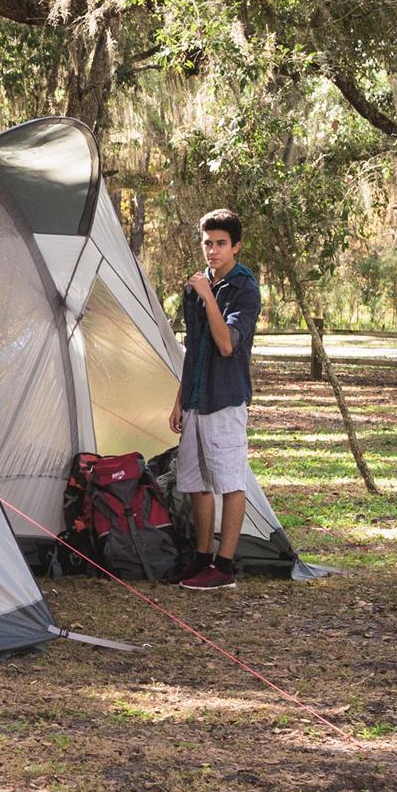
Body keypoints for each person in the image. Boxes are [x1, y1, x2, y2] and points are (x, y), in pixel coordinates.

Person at [170, 209, 262, 592]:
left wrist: (209, 297)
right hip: (194, 397)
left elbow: (226, 345)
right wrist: (178, 399)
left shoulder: (245, 288)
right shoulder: (195, 287)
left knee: (229, 482)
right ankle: (201, 558)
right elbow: (194, 349)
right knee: (196, 482)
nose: (212, 251)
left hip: (225, 399)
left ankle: (224, 567)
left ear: (236, 246)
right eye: (207, 243)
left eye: (221, 243)